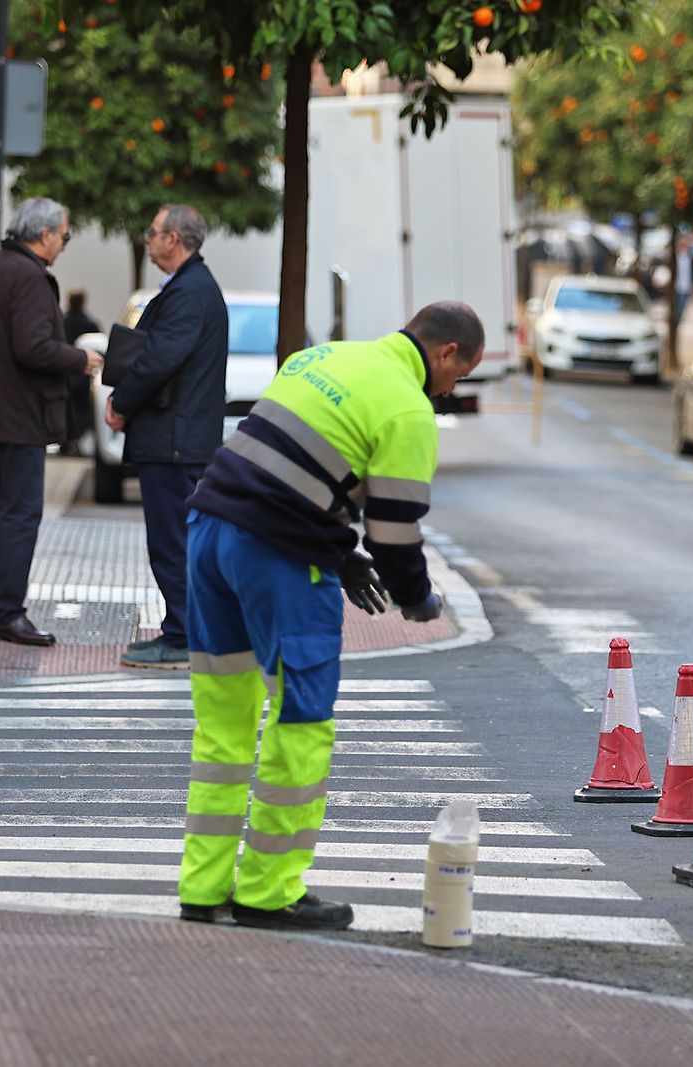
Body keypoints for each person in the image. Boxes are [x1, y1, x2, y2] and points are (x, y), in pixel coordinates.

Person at [176, 302, 482, 930]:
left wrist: (341, 553)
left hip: (209, 531)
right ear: (446, 352)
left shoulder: (327, 356)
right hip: (278, 558)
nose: (453, 389)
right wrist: (417, 599)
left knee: (223, 728)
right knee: (301, 721)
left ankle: (202, 888)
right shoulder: (407, 407)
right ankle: (269, 893)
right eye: (461, 374)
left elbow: (289, 466)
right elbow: (395, 530)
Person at [0, 198, 100, 646]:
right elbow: (33, 347)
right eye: (64, 235)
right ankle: (7, 611)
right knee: (19, 515)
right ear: (44, 234)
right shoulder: (32, 277)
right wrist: (81, 358)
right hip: (22, 415)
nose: (64, 244)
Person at [105, 204, 228, 670]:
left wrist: (120, 402)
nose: (148, 240)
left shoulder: (189, 292)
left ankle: (182, 637)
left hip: (175, 440)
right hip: (178, 437)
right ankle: (182, 630)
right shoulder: (189, 287)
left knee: (172, 542)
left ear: (174, 238)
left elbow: (159, 359)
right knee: (176, 540)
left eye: (153, 233)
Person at [60, 289, 100, 456]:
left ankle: (66, 442)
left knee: (65, 409)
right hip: (83, 377)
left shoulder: (62, 322)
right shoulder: (90, 324)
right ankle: (78, 440)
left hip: (64, 374)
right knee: (82, 411)